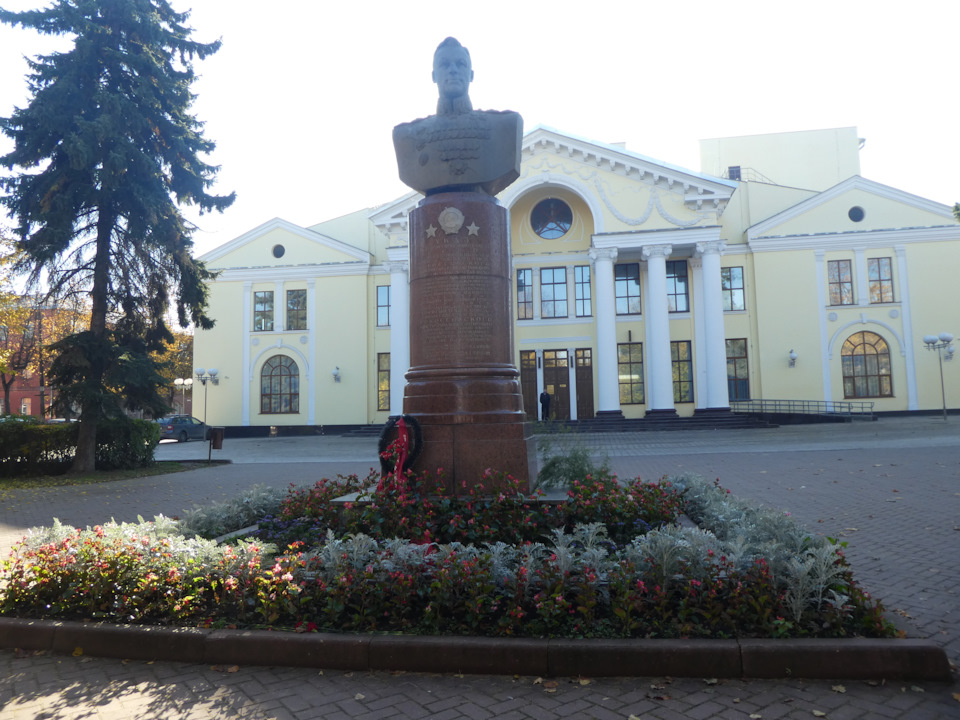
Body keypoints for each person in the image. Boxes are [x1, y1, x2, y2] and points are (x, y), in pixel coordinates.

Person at [432, 37, 474, 116]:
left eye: (460, 64)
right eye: (444, 64)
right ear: (434, 76)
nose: (453, 70)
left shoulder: (497, 121)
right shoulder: (419, 125)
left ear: (471, 75)